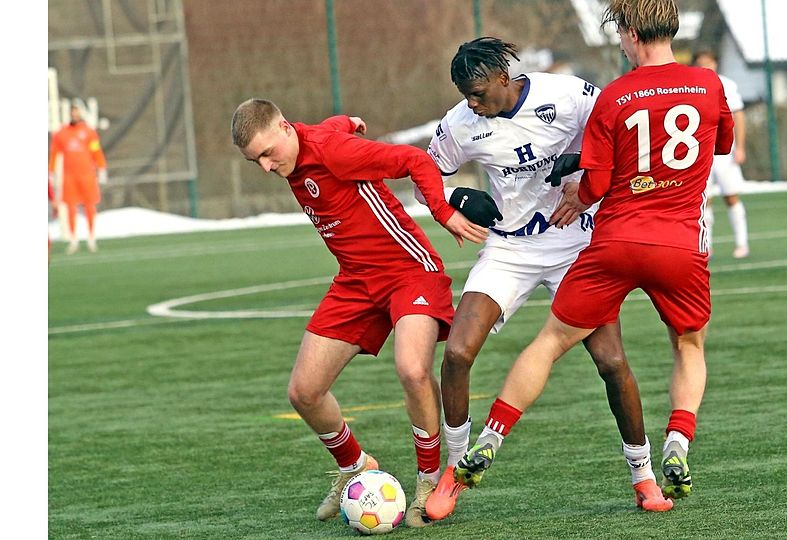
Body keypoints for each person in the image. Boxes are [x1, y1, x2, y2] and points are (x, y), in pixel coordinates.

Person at [454, 0, 734, 508]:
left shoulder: (616, 95)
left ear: (629, 33)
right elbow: (719, 145)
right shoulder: (710, 86)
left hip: (615, 241)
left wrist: (577, 194)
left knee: (549, 342)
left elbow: (599, 183)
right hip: (679, 246)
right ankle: (677, 441)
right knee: (689, 347)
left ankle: (490, 438)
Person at [420, 36, 671, 519]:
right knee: (455, 352)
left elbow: (623, 134)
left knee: (612, 362)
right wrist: (452, 202)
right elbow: (426, 170)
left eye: (477, 92)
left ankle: (642, 474)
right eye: (464, 95)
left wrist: (585, 167)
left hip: (577, 245)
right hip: (510, 247)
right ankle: (455, 469)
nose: (472, 103)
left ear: (502, 77)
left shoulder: (568, 96)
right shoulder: (462, 122)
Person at [230, 98, 488, 528]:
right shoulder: (304, 144)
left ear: (283, 127)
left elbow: (412, 160)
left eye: (267, 153)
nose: (266, 167)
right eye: (254, 160)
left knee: (412, 370)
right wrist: (347, 120)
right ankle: (356, 466)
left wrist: (442, 212)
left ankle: (427, 480)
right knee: (304, 391)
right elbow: (325, 127)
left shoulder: (335, 152)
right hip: (355, 282)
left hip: (409, 273)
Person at [693, 49, 750, 259]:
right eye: (701, 63)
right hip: (701, 153)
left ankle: (742, 243)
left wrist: (740, 147)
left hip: (725, 152)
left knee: (731, 196)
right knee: (704, 199)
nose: (704, 67)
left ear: (715, 63)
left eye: (708, 63)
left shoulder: (726, 84)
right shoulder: (692, 86)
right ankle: (706, 245)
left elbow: (738, 117)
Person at [48, 103, 108, 254]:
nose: (75, 115)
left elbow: (96, 151)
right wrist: (51, 170)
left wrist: (101, 167)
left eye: (77, 112)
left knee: (89, 205)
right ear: (70, 114)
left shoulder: (88, 132)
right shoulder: (61, 133)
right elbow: (55, 153)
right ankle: (73, 239)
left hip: (87, 175)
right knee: (70, 207)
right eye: (73, 112)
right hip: (70, 176)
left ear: (80, 114)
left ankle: (91, 237)